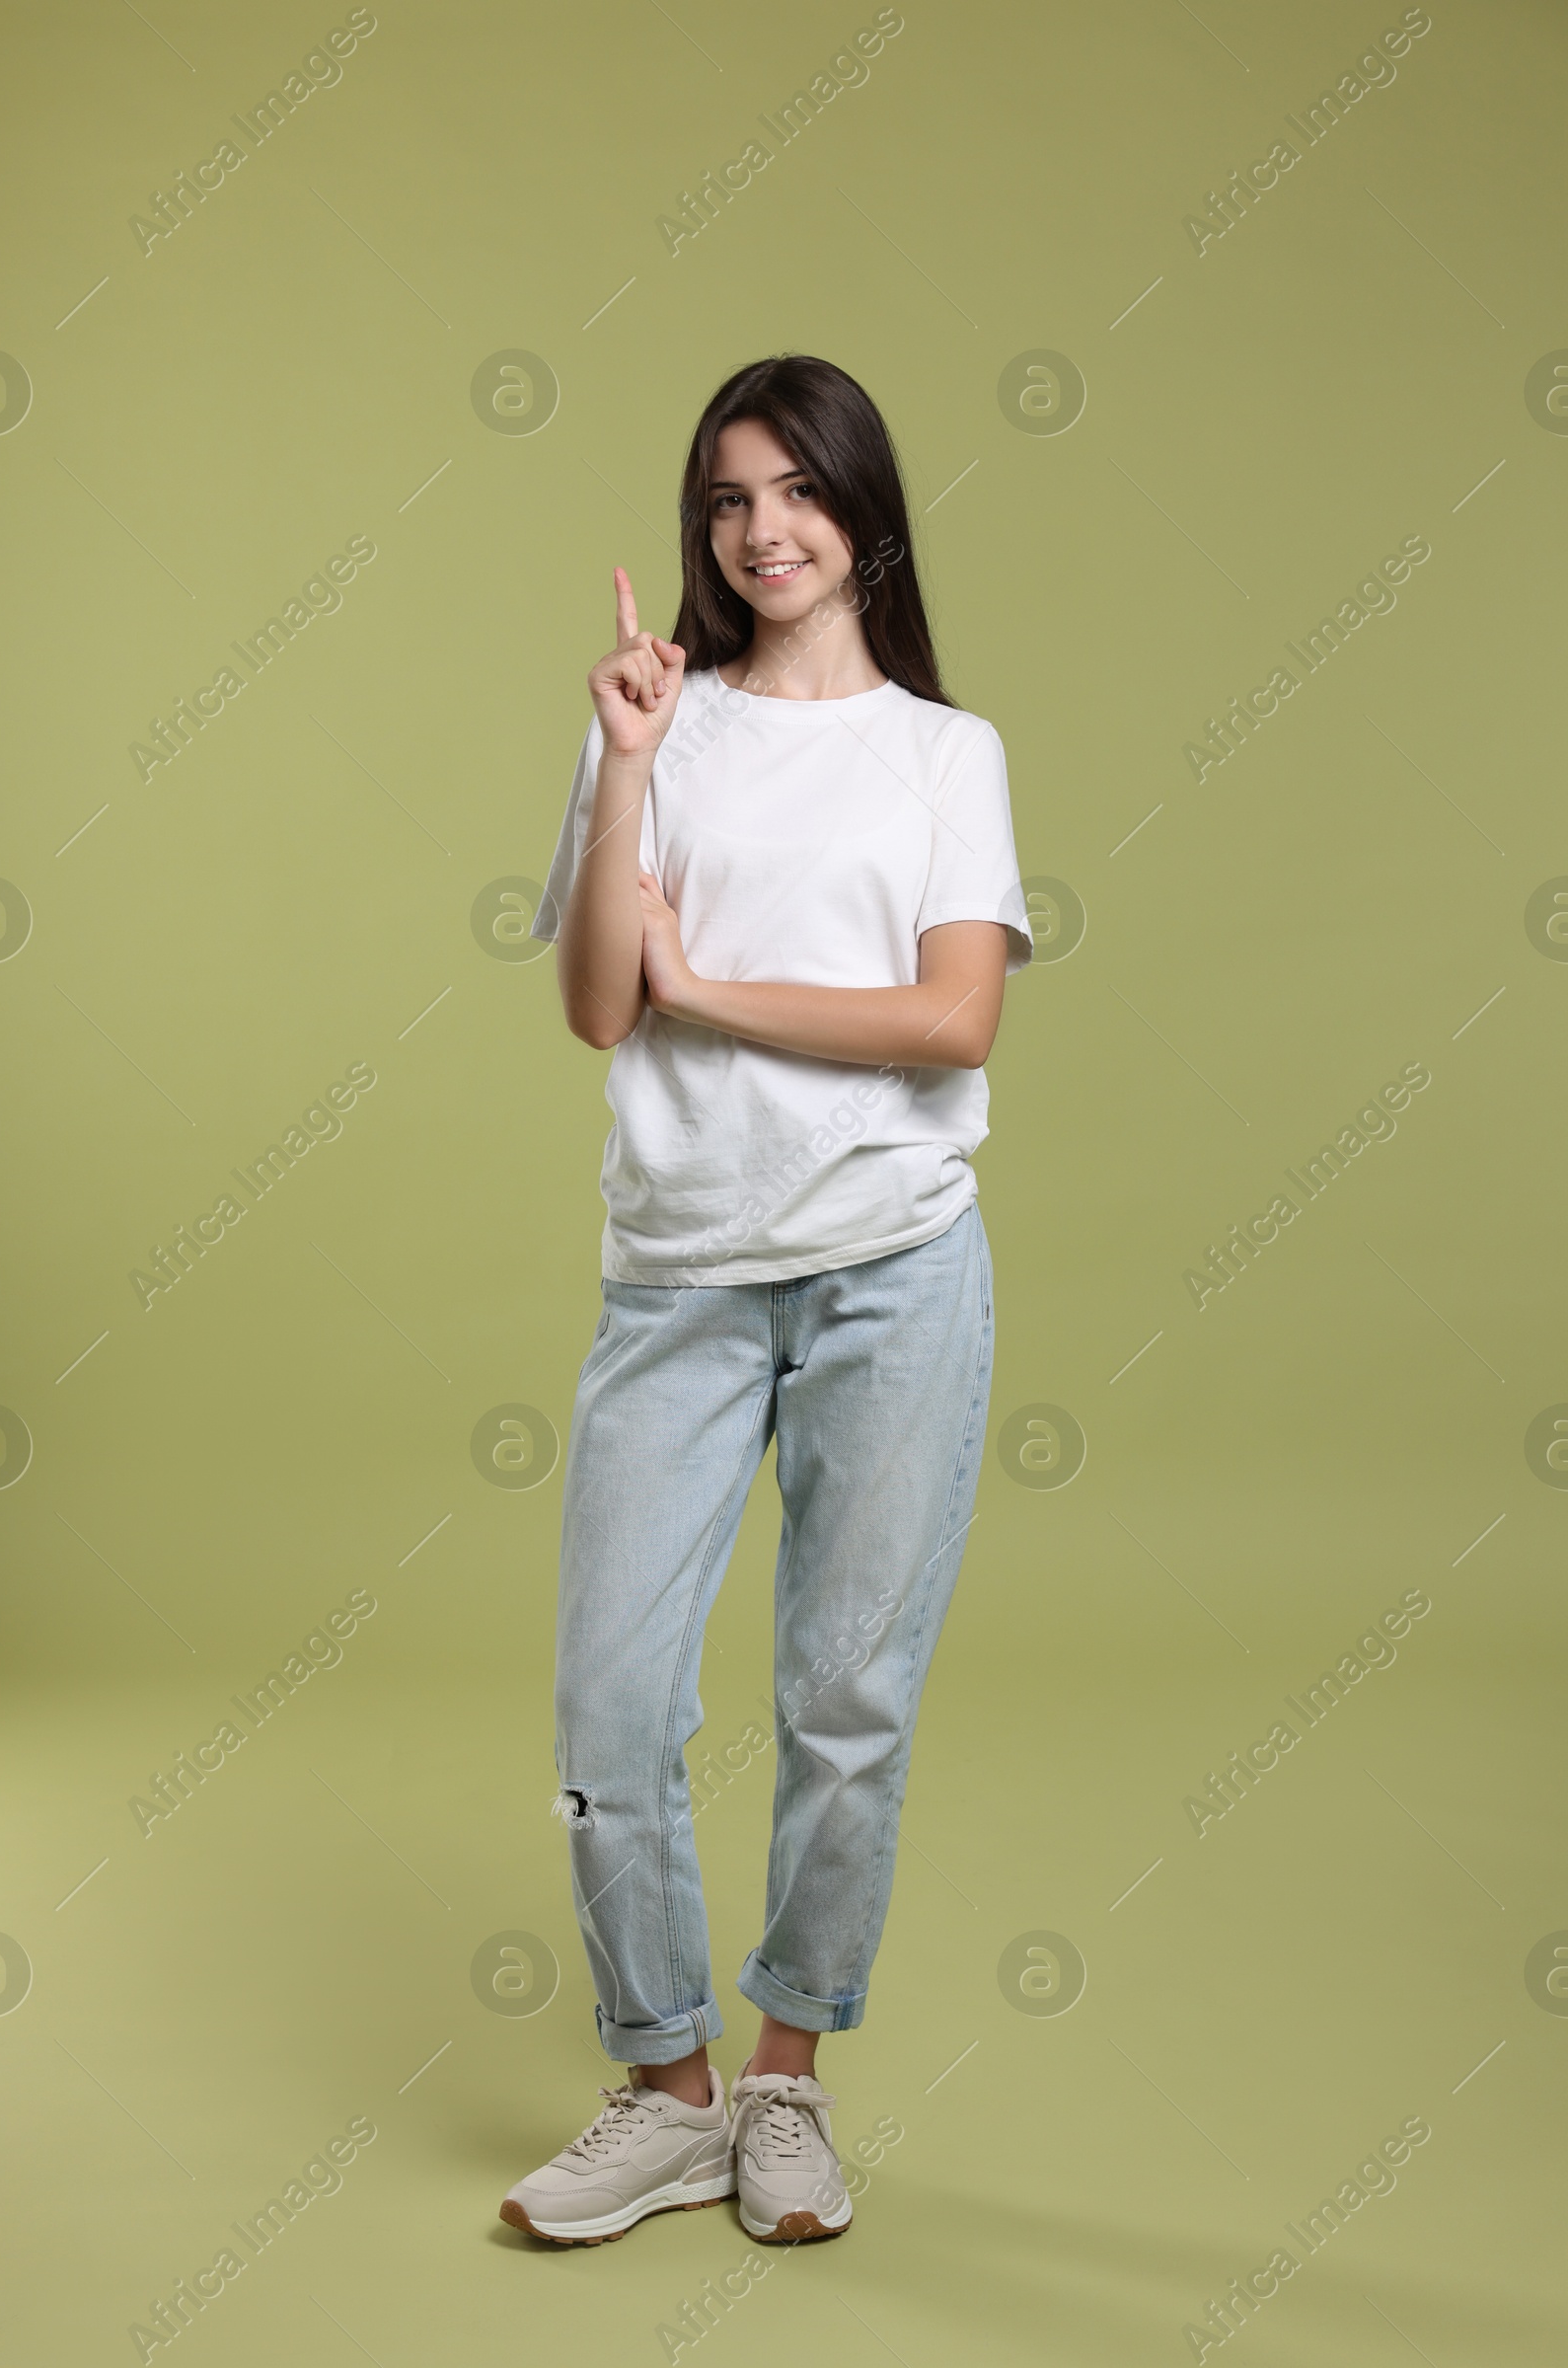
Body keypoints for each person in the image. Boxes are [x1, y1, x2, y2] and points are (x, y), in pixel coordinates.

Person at [499, 353, 1032, 2249]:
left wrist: (702, 990)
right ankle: (666, 2091)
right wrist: (632, 760)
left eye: (797, 491)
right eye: (729, 498)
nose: (763, 531)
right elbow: (588, 1003)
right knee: (612, 1702)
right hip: (683, 1278)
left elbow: (950, 1020)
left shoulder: (943, 755)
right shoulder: (656, 725)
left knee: (844, 1697)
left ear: (863, 513)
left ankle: (786, 2085)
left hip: (896, 1265)